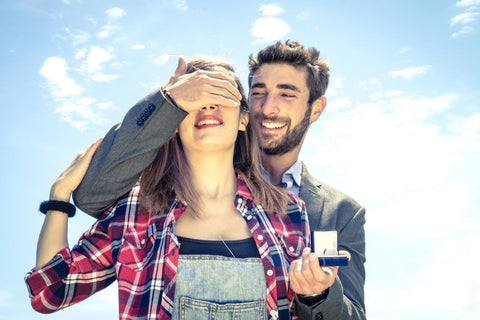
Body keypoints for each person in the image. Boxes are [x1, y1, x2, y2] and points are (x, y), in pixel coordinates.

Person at [25, 58, 338, 320]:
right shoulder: (135, 212)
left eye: (221, 92)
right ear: (174, 122)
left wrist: (315, 291)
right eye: (194, 99)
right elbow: (50, 292)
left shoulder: (288, 211)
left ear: (244, 119)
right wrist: (59, 196)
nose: (208, 105)